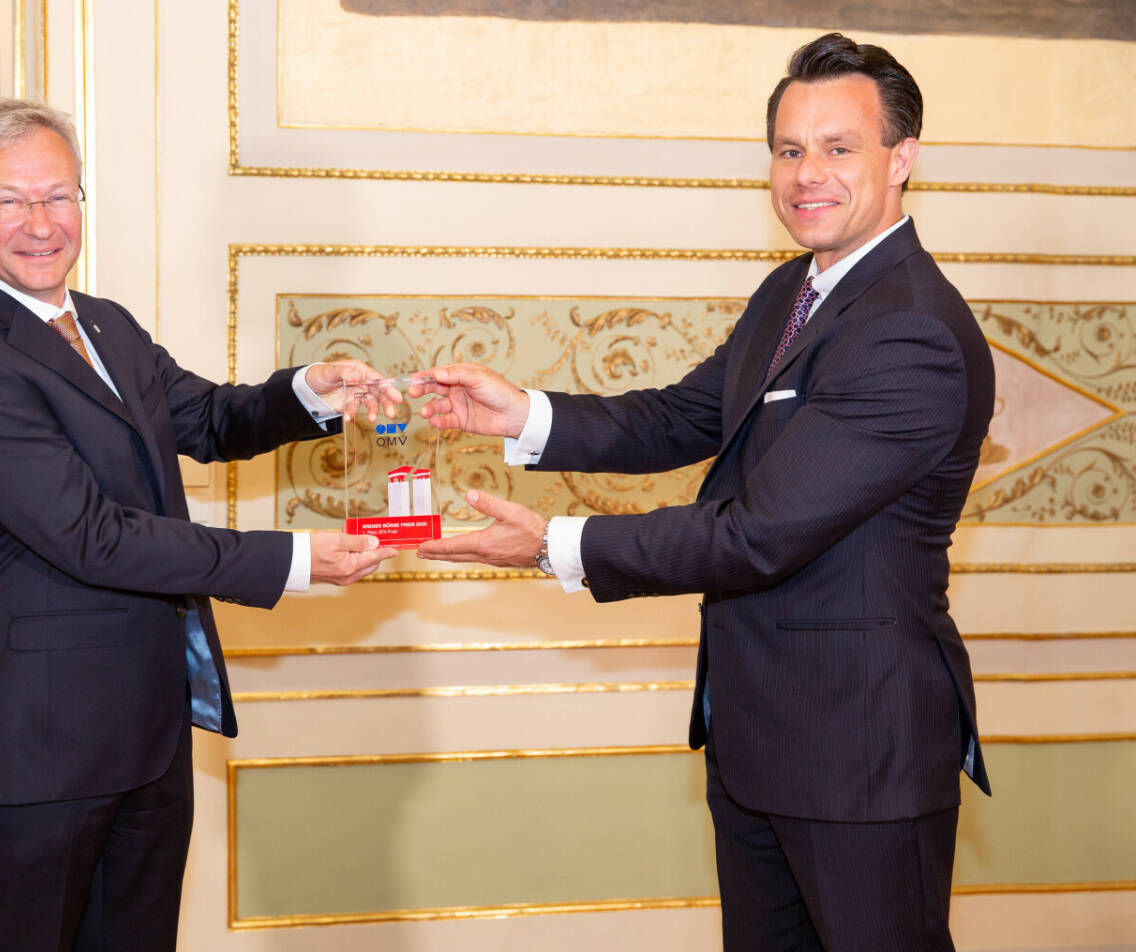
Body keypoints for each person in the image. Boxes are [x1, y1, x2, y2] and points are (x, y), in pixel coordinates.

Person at [411, 34, 994, 952]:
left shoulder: (907, 332)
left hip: (859, 754)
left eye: (840, 148)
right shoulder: (792, 292)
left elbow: (759, 533)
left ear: (902, 159)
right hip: (758, 742)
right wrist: (520, 413)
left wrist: (557, 545)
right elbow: (682, 417)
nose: (808, 175)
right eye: (789, 150)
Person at [0, 97, 398, 951]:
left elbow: (209, 419)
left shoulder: (103, 325)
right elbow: (93, 536)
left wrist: (311, 391)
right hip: (33, 754)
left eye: (58, 196)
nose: (40, 224)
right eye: (11, 200)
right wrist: (292, 559)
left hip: (145, 738)